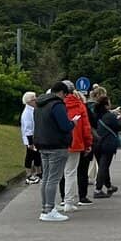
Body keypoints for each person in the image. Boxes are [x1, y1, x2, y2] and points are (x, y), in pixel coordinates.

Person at [33, 82, 77, 222]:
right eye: (65, 95)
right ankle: (50, 209)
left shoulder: (39, 105)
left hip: (42, 144)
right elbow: (64, 126)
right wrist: (73, 123)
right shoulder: (57, 105)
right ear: (62, 93)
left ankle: (45, 207)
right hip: (57, 146)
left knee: (45, 177)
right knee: (53, 178)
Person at [60, 82, 93, 212]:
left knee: (58, 174)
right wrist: (88, 143)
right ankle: (69, 201)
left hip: (59, 143)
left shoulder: (57, 105)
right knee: (71, 173)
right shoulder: (79, 105)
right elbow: (86, 127)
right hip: (76, 142)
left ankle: (60, 200)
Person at [92, 96, 121, 199]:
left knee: (102, 165)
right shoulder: (109, 116)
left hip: (96, 143)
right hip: (107, 144)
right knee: (104, 166)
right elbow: (119, 127)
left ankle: (109, 186)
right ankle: (98, 189)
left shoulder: (95, 115)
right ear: (106, 105)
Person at [21, 91, 42, 184]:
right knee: (30, 156)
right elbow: (28, 128)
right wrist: (30, 142)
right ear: (29, 101)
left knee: (37, 155)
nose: (36, 100)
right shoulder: (27, 113)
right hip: (30, 138)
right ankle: (28, 174)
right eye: (34, 99)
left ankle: (39, 172)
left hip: (36, 137)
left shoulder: (34, 110)